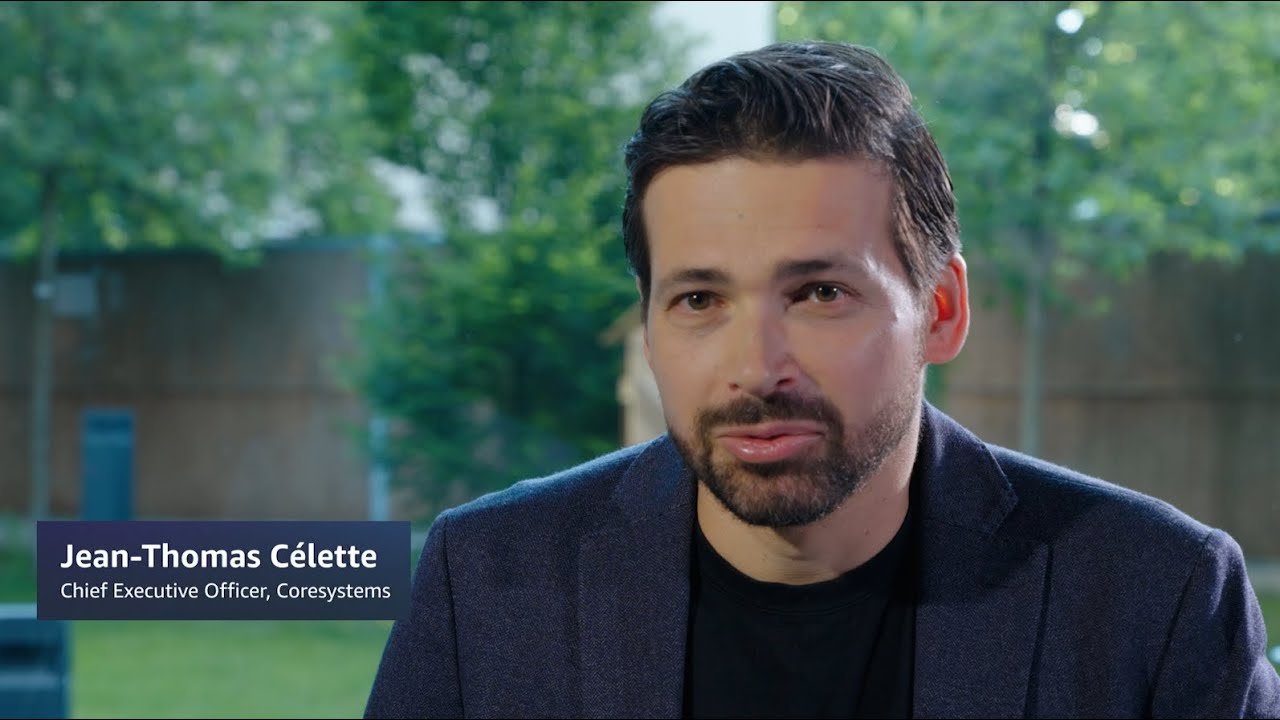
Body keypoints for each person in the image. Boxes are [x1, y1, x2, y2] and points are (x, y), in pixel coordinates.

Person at [364, 41, 1280, 719]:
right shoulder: (483, 583)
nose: (757, 368)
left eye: (820, 292)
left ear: (942, 309)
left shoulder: (1157, 598)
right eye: (698, 301)